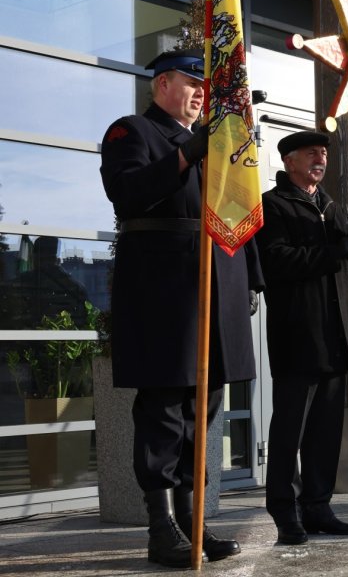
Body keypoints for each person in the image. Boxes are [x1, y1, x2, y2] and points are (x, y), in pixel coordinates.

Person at [100, 49, 263, 567]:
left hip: (216, 287)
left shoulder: (214, 142)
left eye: (205, 86)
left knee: (202, 413)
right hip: (165, 293)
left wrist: (251, 278)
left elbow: (235, 208)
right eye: (192, 83)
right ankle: (161, 528)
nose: (200, 93)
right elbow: (128, 194)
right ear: (162, 84)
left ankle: (194, 524)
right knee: (164, 413)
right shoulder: (132, 132)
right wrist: (188, 152)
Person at [255, 130, 348, 544]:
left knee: (325, 432)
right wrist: (333, 252)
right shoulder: (273, 205)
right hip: (297, 334)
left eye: (323, 153)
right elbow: (275, 261)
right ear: (289, 160)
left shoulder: (329, 206)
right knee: (290, 430)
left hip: (334, 333)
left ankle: (318, 506)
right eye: (311, 153)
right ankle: (285, 510)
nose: (320, 159)